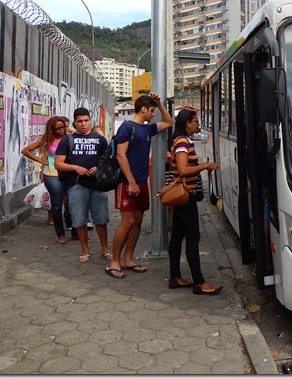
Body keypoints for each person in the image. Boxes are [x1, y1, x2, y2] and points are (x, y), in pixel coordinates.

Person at [106, 92, 173, 279]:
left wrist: (159, 104)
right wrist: (131, 181)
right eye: (151, 110)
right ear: (143, 109)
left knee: (137, 220)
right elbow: (121, 155)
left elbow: (169, 122)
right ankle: (114, 261)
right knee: (127, 222)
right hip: (128, 182)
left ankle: (128, 259)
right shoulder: (127, 128)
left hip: (142, 181)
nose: (153, 114)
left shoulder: (147, 129)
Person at [167, 109, 222, 294]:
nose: (198, 124)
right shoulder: (182, 142)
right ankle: (199, 282)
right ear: (186, 123)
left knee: (177, 236)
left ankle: (175, 277)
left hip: (184, 196)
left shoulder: (181, 141)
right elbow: (182, 170)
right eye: (196, 121)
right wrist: (205, 165)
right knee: (192, 238)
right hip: (185, 196)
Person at [55, 107, 111, 263]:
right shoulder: (67, 140)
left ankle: (105, 249)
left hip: (97, 185)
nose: (83, 124)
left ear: (90, 120)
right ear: (74, 122)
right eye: (80, 121)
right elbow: (58, 164)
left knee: (101, 218)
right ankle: (85, 251)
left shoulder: (99, 140)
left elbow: (108, 161)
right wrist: (75, 167)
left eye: (86, 120)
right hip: (76, 185)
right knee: (79, 219)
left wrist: (99, 168)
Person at [21, 116, 71, 242]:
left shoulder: (71, 137)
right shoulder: (48, 139)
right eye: (57, 128)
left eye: (63, 127)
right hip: (52, 175)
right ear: (51, 129)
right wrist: (41, 160)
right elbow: (26, 150)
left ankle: (75, 230)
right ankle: (60, 234)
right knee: (57, 205)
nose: (61, 130)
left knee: (73, 203)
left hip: (70, 174)